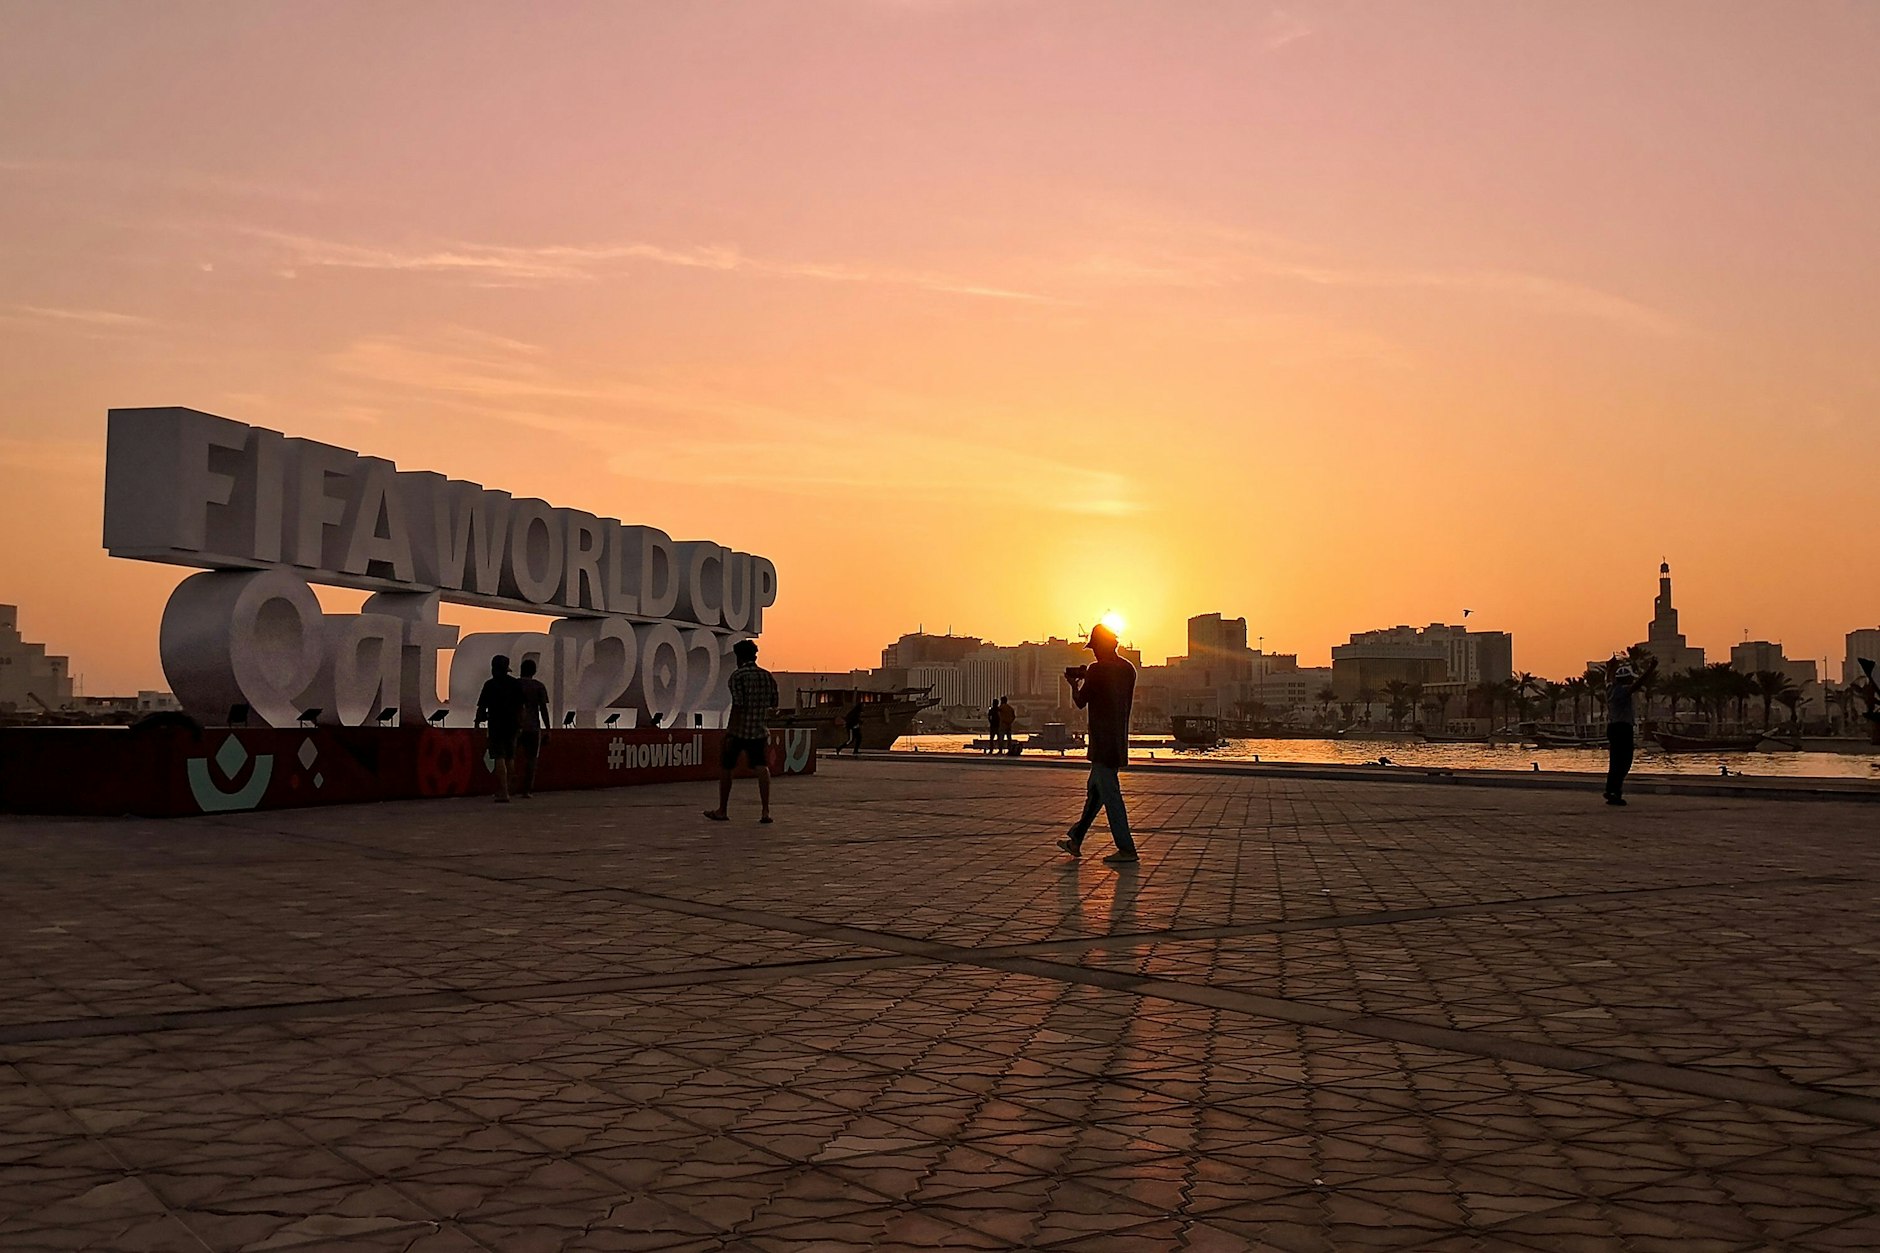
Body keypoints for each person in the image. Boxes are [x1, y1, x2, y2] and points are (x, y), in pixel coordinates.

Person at [1056, 623, 1139, 865]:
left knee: (1110, 796)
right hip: (1118, 742)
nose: (1093, 652)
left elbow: (1081, 701)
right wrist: (1090, 674)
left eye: (1094, 648)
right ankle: (1076, 840)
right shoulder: (1128, 669)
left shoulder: (1096, 670)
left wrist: (1075, 684)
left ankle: (1126, 848)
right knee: (1096, 792)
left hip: (1102, 745)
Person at [704, 639, 779, 824]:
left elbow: (738, 705)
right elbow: (774, 703)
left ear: (738, 657)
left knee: (727, 767)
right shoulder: (767, 676)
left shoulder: (737, 676)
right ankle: (765, 811)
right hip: (759, 731)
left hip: (739, 731)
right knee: (762, 767)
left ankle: (722, 809)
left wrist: (730, 732)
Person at [473, 655, 525, 803]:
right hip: (513, 724)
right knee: (510, 757)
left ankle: (503, 791)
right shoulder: (515, 684)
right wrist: (520, 724)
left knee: (499, 757)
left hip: (496, 724)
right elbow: (522, 707)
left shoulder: (490, 684)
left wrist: (477, 723)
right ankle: (507, 788)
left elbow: (482, 706)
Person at [1603, 656, 1651, 806]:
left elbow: (1607, 678)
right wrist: (1650, 669)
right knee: (1624, 762)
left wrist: (1611, 667)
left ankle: (1612, 790)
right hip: (1623, 728)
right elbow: (1638, 684)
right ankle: (1614, 791)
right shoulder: (1623, 691)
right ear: (1627, 679)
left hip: (1613, 727)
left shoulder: (1610, 688)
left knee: (1615, 761)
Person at [515, 658, 551, 798]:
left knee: (509, 758)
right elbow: (543, 709)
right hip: (533, 727)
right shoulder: (539, 686)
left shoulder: (514, 685)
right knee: (531, 760)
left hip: (516, 726)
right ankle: (526, 790)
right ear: (534, 671)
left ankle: (506, 786)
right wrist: (548, 728)